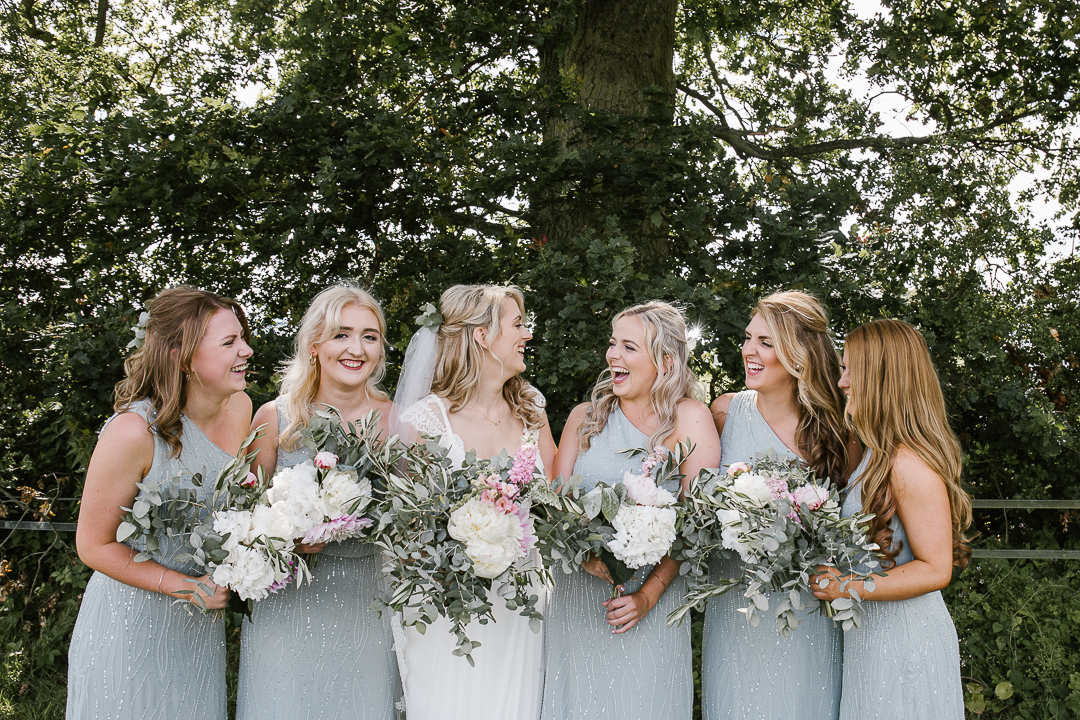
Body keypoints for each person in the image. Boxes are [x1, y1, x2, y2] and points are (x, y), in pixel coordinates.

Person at [67, 287, 253, 720]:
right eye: (229, 343)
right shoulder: (133, 432)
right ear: (182, 357)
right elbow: (93, 546)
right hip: (131, 625)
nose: (245, 350)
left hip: (198, 630)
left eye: (242, 337)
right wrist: (186, 586)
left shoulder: (240, 407)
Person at [540, 301, 722, 720]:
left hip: (652, 605)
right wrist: (583, 554)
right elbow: (554, 505)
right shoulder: (585, 419)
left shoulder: (689, 418)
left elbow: (699, 524)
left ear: (664, 361)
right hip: (579, 597)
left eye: (628, 347)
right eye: (612, 344)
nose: (613, 356)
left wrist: (647, 595)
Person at [391, 284, 557, 720]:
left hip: (524, 606)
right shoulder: (425, 421)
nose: (528, 334)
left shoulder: (532, 409)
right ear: (482, 335)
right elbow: (407, 533)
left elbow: (556, 503)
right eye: (518, 324)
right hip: (450, 613)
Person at [235, 284, 399, 720]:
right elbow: (241, 519)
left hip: (369, 603)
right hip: (289, 605)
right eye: (341, 334)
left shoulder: (398, 420)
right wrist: (286, 538)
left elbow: (414, 520)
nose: (356, 348)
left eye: (370, 336)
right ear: (314, 345)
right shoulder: (274, 418)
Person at [702, 290, 859, 720]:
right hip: (734, 605)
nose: (749, 350)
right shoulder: (723, 413)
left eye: (766, 342)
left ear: (798, 355)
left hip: (805, 609)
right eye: (749, 337)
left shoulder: (836, 431)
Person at [811, 318, 971, 720]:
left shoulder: (907, 463)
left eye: (849, 370)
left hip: (905, 640)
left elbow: (937, 569)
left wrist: (847, 585)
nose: (842, 382)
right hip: (872, 636)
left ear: (880, 377)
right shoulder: (874, 455)